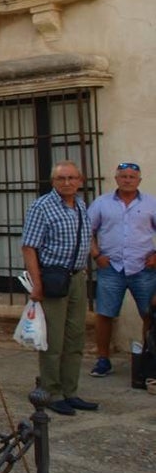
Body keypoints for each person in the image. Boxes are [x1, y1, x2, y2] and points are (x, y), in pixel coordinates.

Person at [21, 160, 98, 416]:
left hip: (76, 278)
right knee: (53, 340)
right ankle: (51, 392)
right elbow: (29, 246)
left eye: (71, 178)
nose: (67, 183)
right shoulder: (42, 206)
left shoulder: (80, 206)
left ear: (80, 180)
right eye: (61, 179)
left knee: (75, 337)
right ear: (53, 182)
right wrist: (37, 284)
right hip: (53, 278)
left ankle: (70, 391)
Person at [87, 161, 156, 377]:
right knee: (105, 314)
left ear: (139, 180)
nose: (127, 180)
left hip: (143, 268)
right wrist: (96, 254)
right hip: (111, 268)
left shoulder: (151, 203)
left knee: (149, 315)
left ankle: (148, 359)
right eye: (123, 176)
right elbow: (86, 231)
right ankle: (103, 359)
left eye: (132, 177)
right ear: (116, 179)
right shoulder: (101, 203)